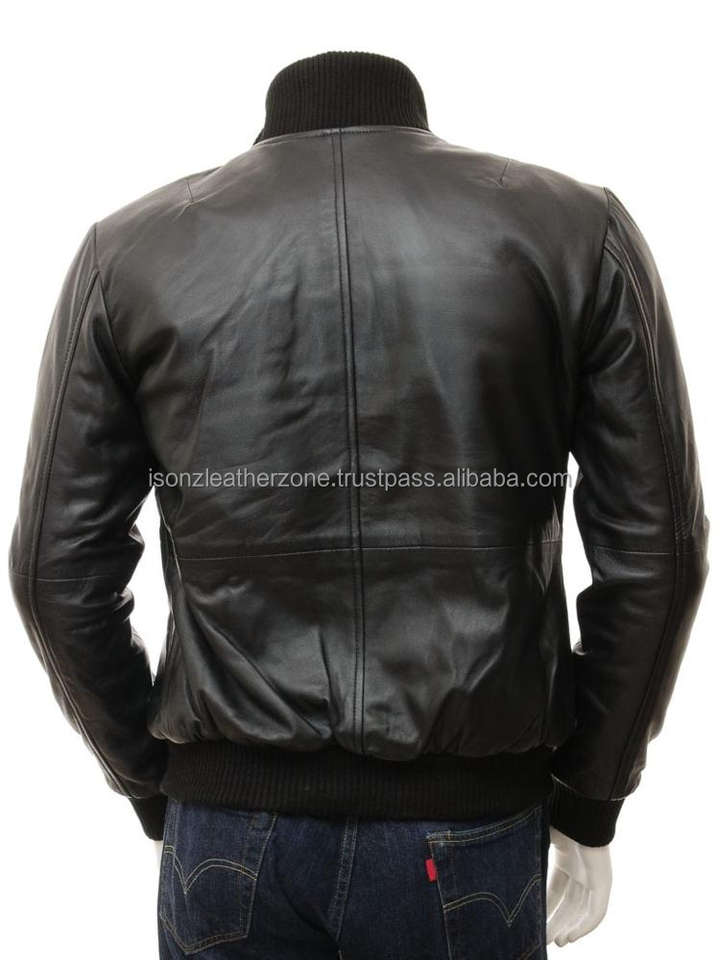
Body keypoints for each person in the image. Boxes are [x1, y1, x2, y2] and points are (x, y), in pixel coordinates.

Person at [10, 51, 707, 959]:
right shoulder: (575, 229)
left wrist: (161, 783)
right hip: (470, 823)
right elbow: (658, 555)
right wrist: (590, 794)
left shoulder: (128, 252)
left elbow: (54, 570)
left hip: (227, 831)